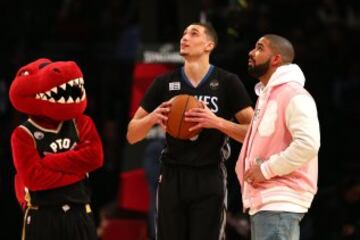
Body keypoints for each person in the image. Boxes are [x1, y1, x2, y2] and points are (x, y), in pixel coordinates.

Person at [127, 22, 253, 240]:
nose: (184, 37)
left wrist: (216, 122)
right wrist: (153, 116)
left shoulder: (227, 82)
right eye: (183, 33)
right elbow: (132, 134)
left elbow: (254, 134)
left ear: (209, 45)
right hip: (172, 175)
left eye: (193, 34)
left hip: (209, 174)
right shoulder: (164, 82)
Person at [235, 34, 321, 240]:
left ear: (275, 59)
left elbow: (308, 144)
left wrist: (265, 169)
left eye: (259, 48)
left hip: (280, 200)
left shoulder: (293, 94)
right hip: (267, 201)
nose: (251, 52)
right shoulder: (269, 96)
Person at [9, 58, 104, 240]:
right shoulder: (23, 134)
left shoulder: (81, 122)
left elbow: (95, 158)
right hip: (42, 213)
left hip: (79, 211)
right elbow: (34, 178)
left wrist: (49, 161)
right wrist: (78, 171)